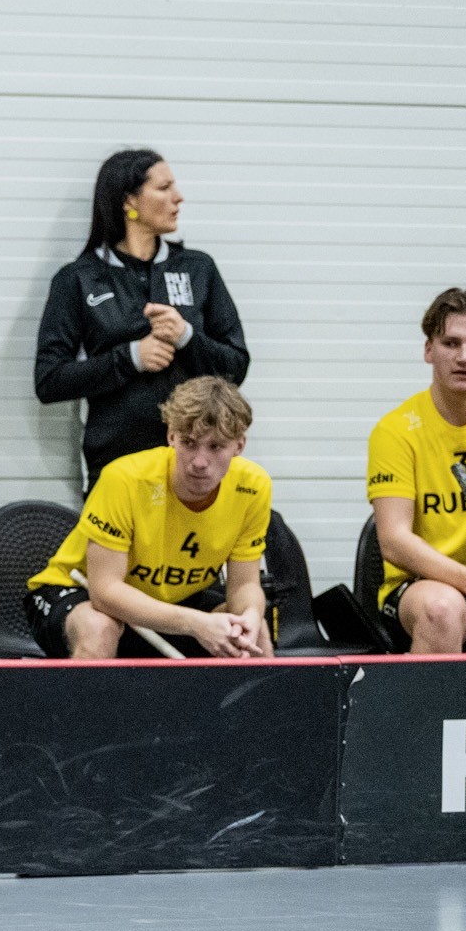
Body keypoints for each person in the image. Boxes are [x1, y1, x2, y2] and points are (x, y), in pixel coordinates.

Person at [35, 149, 250, 486]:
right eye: (164, 188)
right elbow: (49, 381)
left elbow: (236, 367)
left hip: (195, 466)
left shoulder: (198, 268)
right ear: (129, 201)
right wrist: (130, 358)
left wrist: (186, 337)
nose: (178, 197)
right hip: (116, 465)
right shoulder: (78, 278)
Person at [26, 376, 272, 659]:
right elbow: (105, 592)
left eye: (215, 447)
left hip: (170, 601)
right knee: (99, 627)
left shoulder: (253, 487)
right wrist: (194, 623)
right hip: (77, 589)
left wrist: (250, 615)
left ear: (239, 446)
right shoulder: (125, 479)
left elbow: (244, 585)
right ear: (171, 437)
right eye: (189, 443)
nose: (199, 462)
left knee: (252, 634)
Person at [367, 287, 466, 653]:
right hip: (424, 584)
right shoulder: (396, 430)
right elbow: (393, 540)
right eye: (451, 343)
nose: (464, 357)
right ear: (429, 350)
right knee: (442, 610)